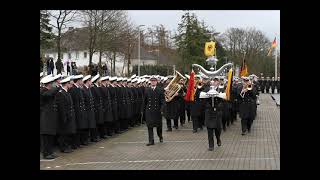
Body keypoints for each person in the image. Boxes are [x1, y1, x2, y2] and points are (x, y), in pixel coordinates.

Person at [40, 75, 60, 159]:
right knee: (46, 137)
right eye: (51, 83)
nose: (52, 85)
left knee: (50, 135)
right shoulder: (43, 91)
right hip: (45, 117)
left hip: (50, 117)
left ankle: (50, 152)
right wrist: (57, 87)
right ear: (48, 84)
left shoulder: (48, 90)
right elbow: (50, 94)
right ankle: (46, 153)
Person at [201, 76, 223, 151]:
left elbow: (224, 100)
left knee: (218, 129)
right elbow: (202, 99)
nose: (214, 82)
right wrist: (208, 105)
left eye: (216, 80)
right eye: (213, 80)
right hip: (209, 112)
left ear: (218, 82)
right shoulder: (207, 89)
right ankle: (211, 145)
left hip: (217, 112)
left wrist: (219, 105)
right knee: (209, 129)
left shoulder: (221, 89)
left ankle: (218, 138)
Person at [55, 76, 76, 153]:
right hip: (64, 117)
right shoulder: (61, 93)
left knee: (67, 133)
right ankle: (63, 147)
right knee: (63, 134)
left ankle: (66, 146)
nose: (70, 84)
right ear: (66, 84)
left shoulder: (66, 92)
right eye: (69, 83)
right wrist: (64, 118)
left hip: (69, 116)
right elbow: (62, 108)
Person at [143, 76, 165, 146]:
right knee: (150, 126)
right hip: (149, 111)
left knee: (158, 126)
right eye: (152, 81)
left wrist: (162, 109)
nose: (153, 82)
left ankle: (160, 136)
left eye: (154, 81)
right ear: (150, 82)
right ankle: (151, 141)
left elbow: (163, 101)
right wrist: (143, 110)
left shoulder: (160, 90)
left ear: (156, 82)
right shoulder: (147, 90)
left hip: (157, 111)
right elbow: (145, 101)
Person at [69, 75, 89, 148]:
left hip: (80, 111)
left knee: (80, 127)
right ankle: (75, 144)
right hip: (76, 112)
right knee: (76, 128)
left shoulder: (78, 89)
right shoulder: (73, 89)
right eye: (81, 80)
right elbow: (73, 102)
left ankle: (78, 142)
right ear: (78, 81)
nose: (82, 81)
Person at [82, 75, 99, 142]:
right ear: (87, 81)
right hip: (87, 109)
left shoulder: (88, 89)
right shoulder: (83, 90)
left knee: (92, 124)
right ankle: (86, 139)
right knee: (88, 125)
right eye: (90, 81)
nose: (91, 82)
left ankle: (92, 138)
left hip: (91, 109)